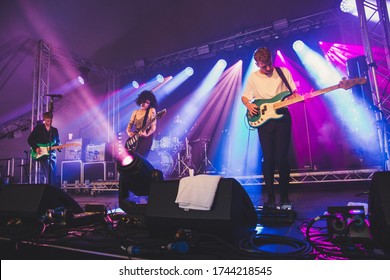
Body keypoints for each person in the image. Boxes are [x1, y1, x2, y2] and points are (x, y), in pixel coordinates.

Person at [242, 47, 299, 206]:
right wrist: (248, 105)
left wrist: (300, 97)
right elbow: (246, 96)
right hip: (264, 120)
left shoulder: (283, 72)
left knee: (282, 158)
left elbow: (294, 92)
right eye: (263, 66)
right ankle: (271, 197)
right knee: (268, 159)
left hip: (282, 117)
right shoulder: (253, 77)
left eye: (269, 64)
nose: (268, 68)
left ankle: (285, 196)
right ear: (257, 64)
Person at [28, 111, 61, 188]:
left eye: (50, 121)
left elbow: (58, 142)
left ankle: (50, 189)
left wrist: (59, 147)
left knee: (52, 172)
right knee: (49, 171)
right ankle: (54, 189)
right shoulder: (38, 129)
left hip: (52, 154)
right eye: (47, 121)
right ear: (44, 119)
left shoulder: (55, 130)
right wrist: (36, 147)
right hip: (42, 153)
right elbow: (30, 140)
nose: (49, 122)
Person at [126, 90, 157, 158]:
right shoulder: (135, 112)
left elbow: (153, 126)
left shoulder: (151, 110)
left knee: (141, 158)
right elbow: (129, 125)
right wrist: (129, 132)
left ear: (150, 104)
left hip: (146, 138)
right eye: (143, 101)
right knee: (130, 157)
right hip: (135, 137)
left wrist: (147, 134)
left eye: (147, 102)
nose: (144, 104)